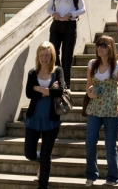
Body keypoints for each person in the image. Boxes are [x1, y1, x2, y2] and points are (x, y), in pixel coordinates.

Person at [24, 41, 69, 189]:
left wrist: (39, 88)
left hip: (51, 120)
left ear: (52, 56)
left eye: (47, 55)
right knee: (29, 153)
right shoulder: (32, 72)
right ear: (38, 56)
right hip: (33, 119)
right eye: (42, 55)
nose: (44, 58)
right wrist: (49, 90)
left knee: (46, 155)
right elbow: (29, 93)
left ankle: (43, 185)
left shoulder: (58, 71)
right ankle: (41, 163)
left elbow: (60, 91)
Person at [84, 35, 118, 186]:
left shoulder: (117, 66)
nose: (99, 48)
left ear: (110, 48)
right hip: (95, 107)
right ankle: (91, 174)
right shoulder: (92, 64)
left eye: (103, 45)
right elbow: (88, 85)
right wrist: (90, 92)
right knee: (90, 141)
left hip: (112, 108)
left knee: (110, 145)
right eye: (98, 45)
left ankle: (113, 176)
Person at [47, 0, 86, 88]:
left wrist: (71, 14)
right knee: (53, 53)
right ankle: (57, 81)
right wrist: (54, 14)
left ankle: (66, 85)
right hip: (56, 25)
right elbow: (48, 8)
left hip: (70, 25)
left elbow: (83, 9)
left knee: (67, 56)